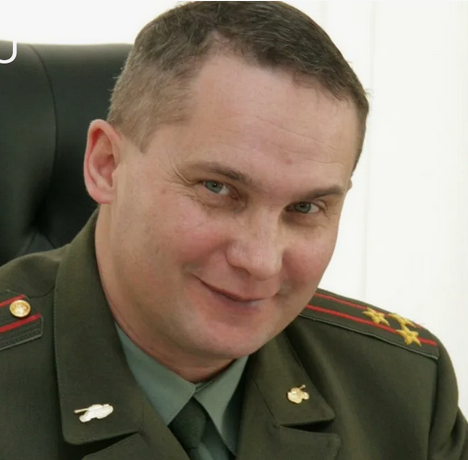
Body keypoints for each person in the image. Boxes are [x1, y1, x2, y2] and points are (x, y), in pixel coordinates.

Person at [0, 2, 466, 459]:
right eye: (218, 189)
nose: (261, 261)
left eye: (305, 207)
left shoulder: (404, 391)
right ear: (107, 165)